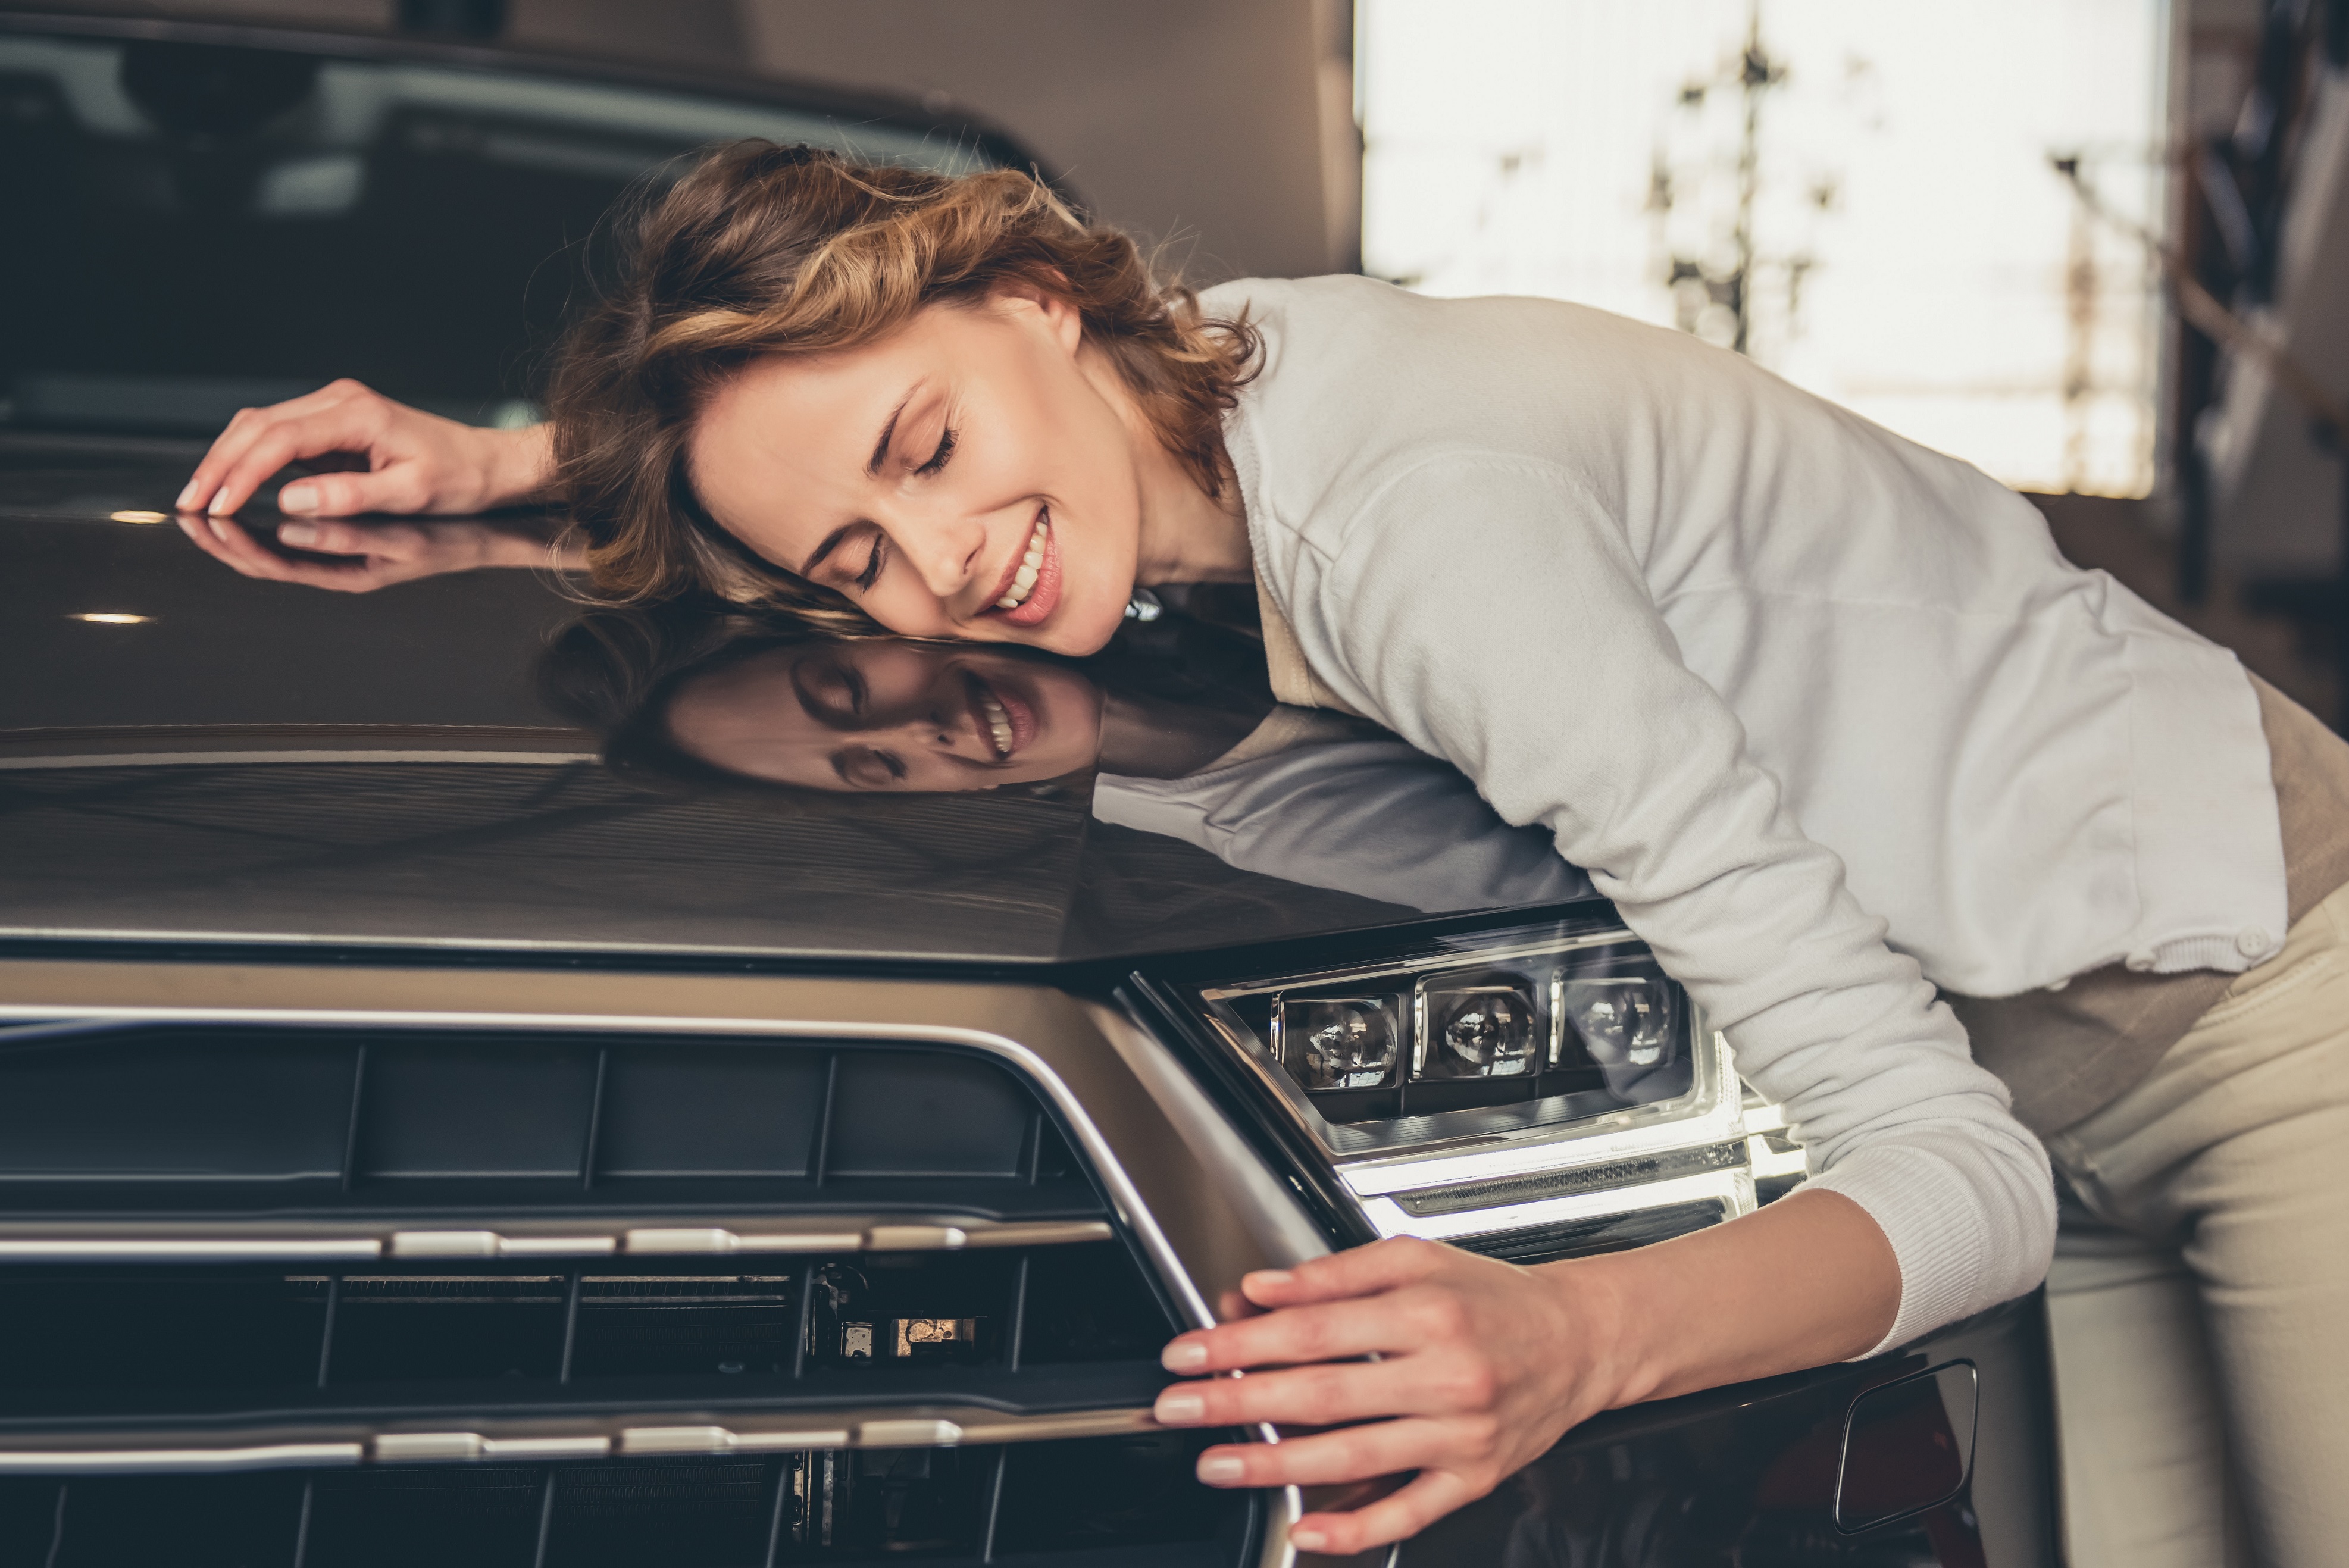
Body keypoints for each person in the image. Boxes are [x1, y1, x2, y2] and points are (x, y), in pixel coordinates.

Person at [179, 143, 2349, 1565]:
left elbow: (1933, 1171)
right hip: (2024, 1069)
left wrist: (1571, 1338)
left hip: (2262, 994)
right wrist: (513, 465)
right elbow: (837, 441)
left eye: (930, 452)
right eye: (862, 557)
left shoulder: (1415, 524)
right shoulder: (1194, 401)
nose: (945, 567)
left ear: (1036, 298)